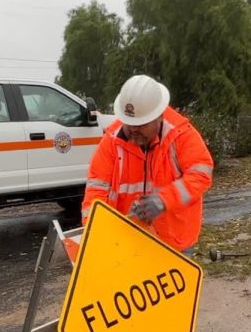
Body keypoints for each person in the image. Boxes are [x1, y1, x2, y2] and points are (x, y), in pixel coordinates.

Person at [81, 75, 214, 254]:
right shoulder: (111, 142)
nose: (134, 130)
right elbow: (96, 191)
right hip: (128, 242)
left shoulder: (181, 135)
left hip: (174, 243)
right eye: (130, 124)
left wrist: (164, 200)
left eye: (141, 124)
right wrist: (94, 232)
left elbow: (200, 175)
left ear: (159, 116)